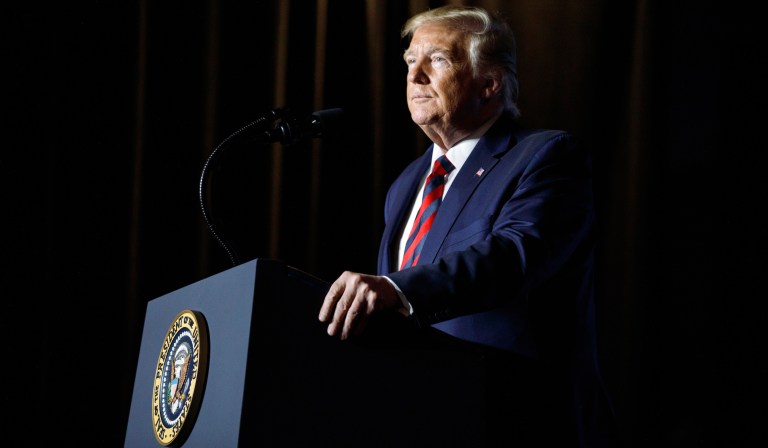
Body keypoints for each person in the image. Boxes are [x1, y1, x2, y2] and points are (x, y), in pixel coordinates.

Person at [319, 5, 617, 447]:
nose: (415, 75)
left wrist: (399, 289)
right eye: (409, 61)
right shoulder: (405, 186)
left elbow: (515, 255)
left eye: (436, 59)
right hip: (421, 419)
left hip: (519, 420)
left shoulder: (545, 156)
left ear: (489, 83)